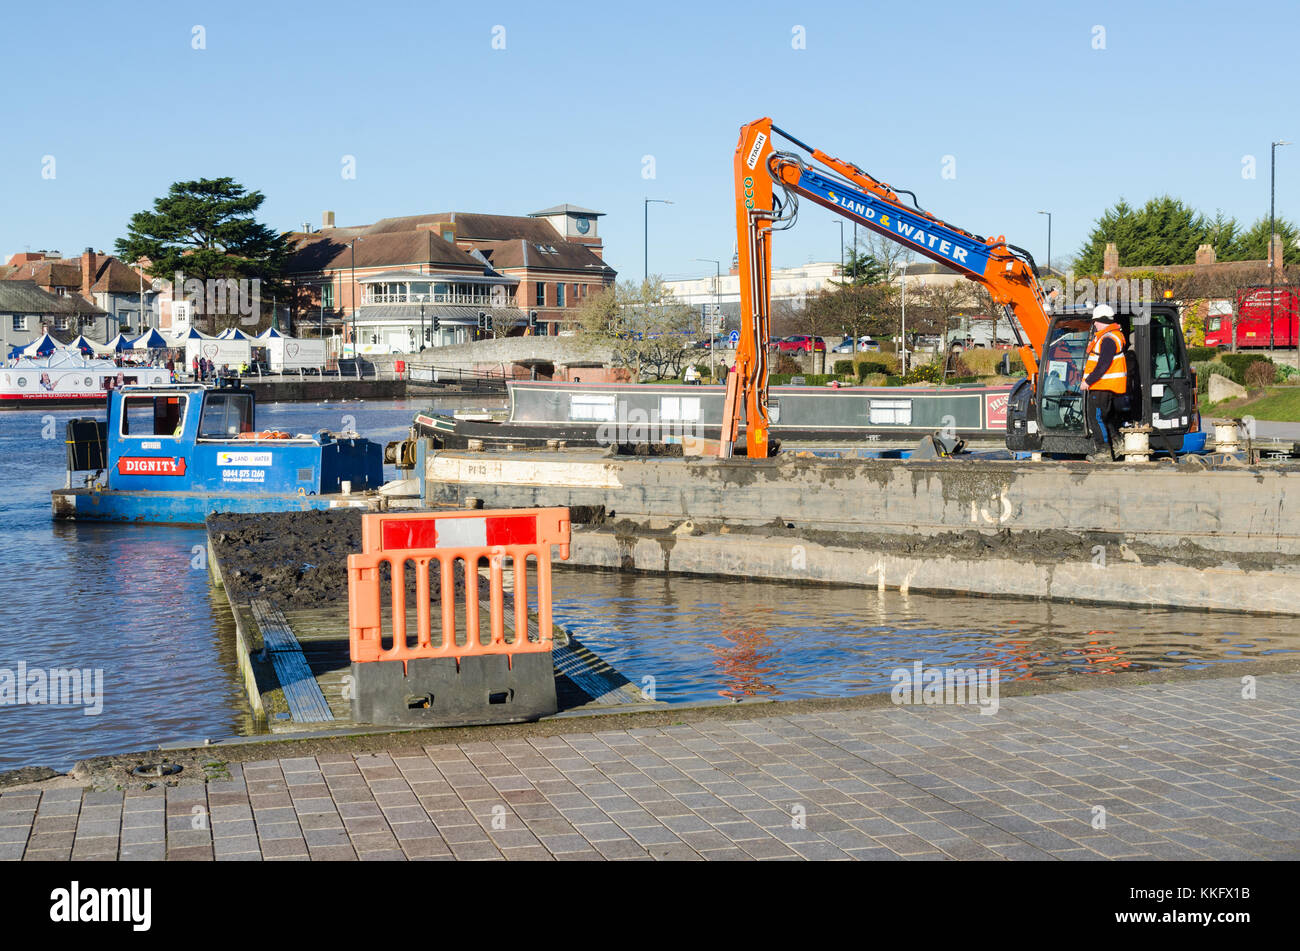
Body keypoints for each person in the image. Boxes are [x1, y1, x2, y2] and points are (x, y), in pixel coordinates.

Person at [1080, 304, 1128, 461]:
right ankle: (1118, 445)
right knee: (1106, 418)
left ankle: (1103, 452)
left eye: (1096, 321)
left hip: (1101, 386)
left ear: (1102, 320)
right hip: (1108, 387)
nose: (1094, 324)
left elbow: (1103, 364)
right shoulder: (1112, 336)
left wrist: (1088, 381)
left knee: (1096, 418)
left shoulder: (1107, 339)